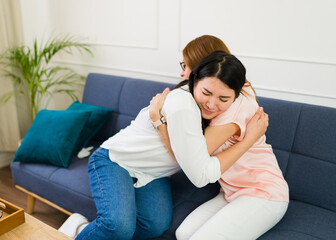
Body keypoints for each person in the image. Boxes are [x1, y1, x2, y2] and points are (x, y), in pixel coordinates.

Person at [75, 38, 269, 240]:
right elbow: (197, 167)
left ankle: (85, 229)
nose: (182, 73)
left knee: (153, 226)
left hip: (154, 173)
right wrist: (158, 121)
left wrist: (159, 122)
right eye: (207, 91)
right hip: (117, 160)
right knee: (118, 226)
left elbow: (189, 155)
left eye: (185, 65)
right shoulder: (183, 104)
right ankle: (83, 231)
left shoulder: (214, 101)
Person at [149, 51, 289, 240]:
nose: (211, 105)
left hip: (264, 193)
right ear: (195, 80)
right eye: (206, 93)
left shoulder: (235, 112)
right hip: (230, 192)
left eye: (223, 99)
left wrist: (158, 122)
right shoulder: (187, 101)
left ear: (237, 94)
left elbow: (192, 161)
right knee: (183, 234)